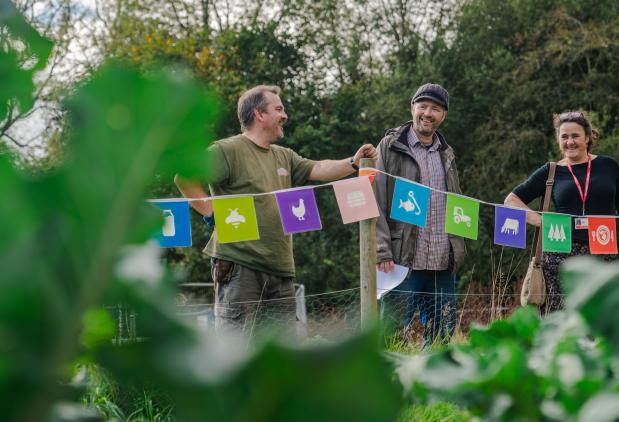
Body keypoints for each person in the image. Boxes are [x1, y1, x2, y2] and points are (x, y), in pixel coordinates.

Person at [174, 85, 377, 337]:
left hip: (280, 268)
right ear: (259, 114)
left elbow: (320, 169)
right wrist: (208, 210)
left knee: (282, 355)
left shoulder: (285, 156)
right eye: (279, 109)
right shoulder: (227, 150)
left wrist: (353, 162)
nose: (285, 115)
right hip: (239, 266)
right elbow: (185, 177)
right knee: (237, 350)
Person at [504, 111, 619, 315]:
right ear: (558, 140)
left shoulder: (608, 166)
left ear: (588, 137)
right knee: (560, 322)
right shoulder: (551, 171)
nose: (570, 142)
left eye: (575, 136)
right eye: (564, 137)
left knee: (603, 320)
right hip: (559, 257)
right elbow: (511, 200)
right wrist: (539, 220)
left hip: (603, 253)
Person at [374, 83, 466, 346]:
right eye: (422, 106)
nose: (427, 113)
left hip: (441, 261)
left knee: (442, 338)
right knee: (390, 336)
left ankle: (435, 386)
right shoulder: (390, 147)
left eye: (435, 109)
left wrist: (457, 249)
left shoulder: (447, 154)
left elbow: (457, 203)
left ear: (443, 115)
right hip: (402, 261)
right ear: (412, 108)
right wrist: (382, 250)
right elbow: (376, 200)